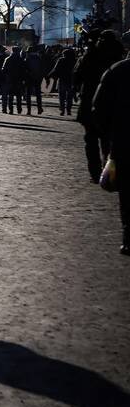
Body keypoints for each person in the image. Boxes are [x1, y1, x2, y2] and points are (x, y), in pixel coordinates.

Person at [91, 49, 130, 254]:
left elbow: (99, 108)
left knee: (127, 191)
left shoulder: (117, 70)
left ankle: (129, 236)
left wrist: (109, 136)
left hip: (124, 142)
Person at [75, 30, 125, 182]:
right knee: (108, 140)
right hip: (114, 104)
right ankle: (107, 170)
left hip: (90, 101)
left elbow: (77, 75)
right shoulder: (118, 56)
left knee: (91, 141)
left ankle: (95, 173)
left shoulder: (90, 55)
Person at [49, 47, 77, 116]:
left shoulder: (61, 60)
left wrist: (49, 75)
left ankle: (62, 109)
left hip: (62, 80)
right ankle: (68, 110)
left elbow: (55, 69)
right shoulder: (74, 61)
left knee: (61, 96)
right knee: (69, 97)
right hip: (70, 80)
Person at [2, 47, 26, 115]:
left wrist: (7, 75)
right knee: (18, 96)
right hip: (19, 80)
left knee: (10, 96)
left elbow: (3, 70)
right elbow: (24, 71)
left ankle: (11, 109)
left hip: (10, 79)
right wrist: (23, 78)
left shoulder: (8, 59)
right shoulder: (21, 60)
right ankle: (19, 109)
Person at [24, 45, 45, 115]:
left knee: (28, 95)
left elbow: (24, 70)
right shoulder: (39, 59)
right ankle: (39, 108)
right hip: (37, 79)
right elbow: (42, 69)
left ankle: (29, 110)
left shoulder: (27, 59)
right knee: (38, 95)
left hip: (29, 79)